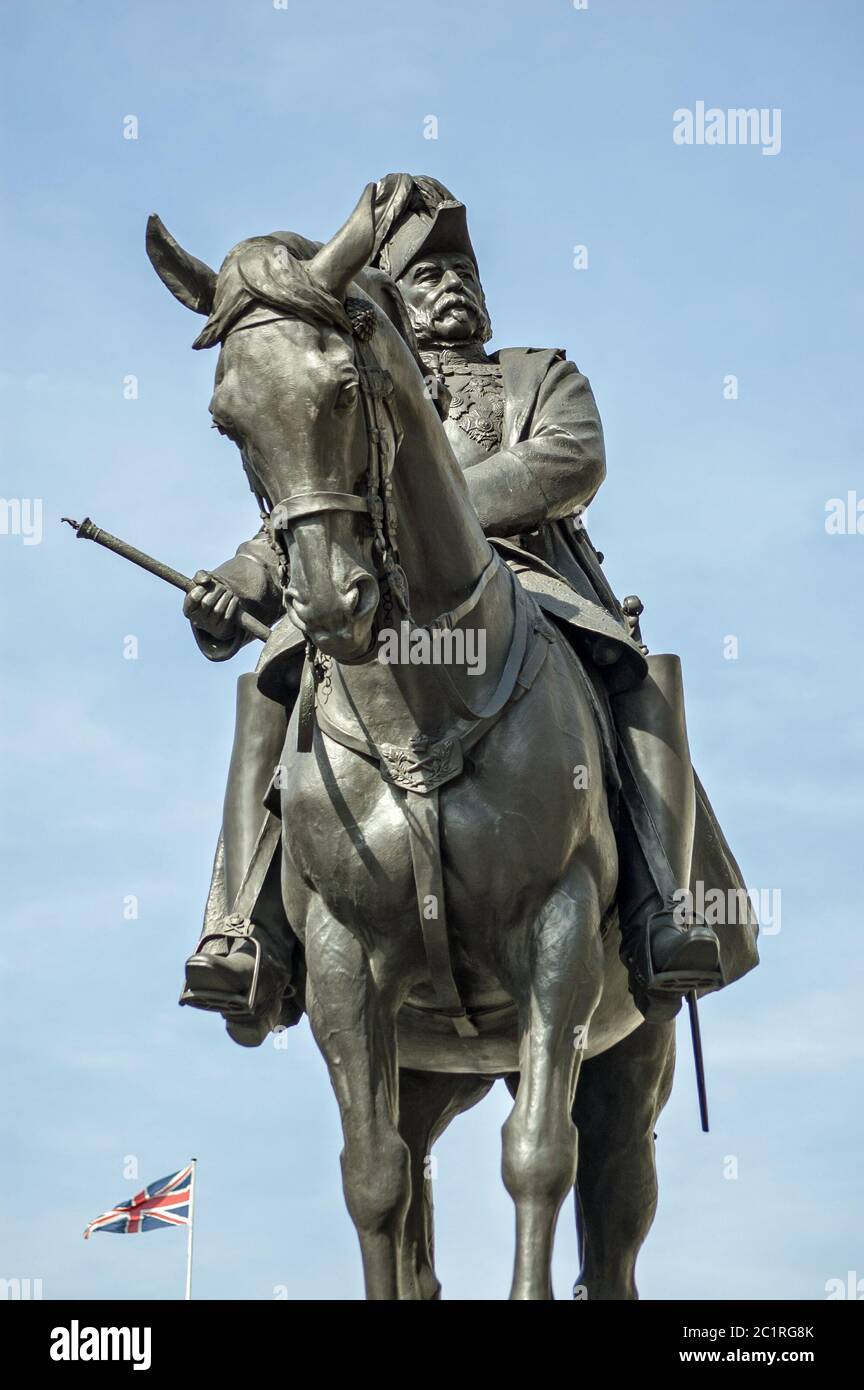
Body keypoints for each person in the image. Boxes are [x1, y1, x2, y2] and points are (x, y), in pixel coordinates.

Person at [181, 176, 738, 1043]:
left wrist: (435, 510)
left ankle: (667, 904)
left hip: (525, 583)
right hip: (367, 585)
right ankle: (245, 926)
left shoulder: (537, 375)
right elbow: (310, 493)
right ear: (393, 296)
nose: (452, 287)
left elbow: (566, 463)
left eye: (463, 274)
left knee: (640, 671)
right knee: (270, 676)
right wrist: (239, 581)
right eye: (429, 275)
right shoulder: (354, 376)